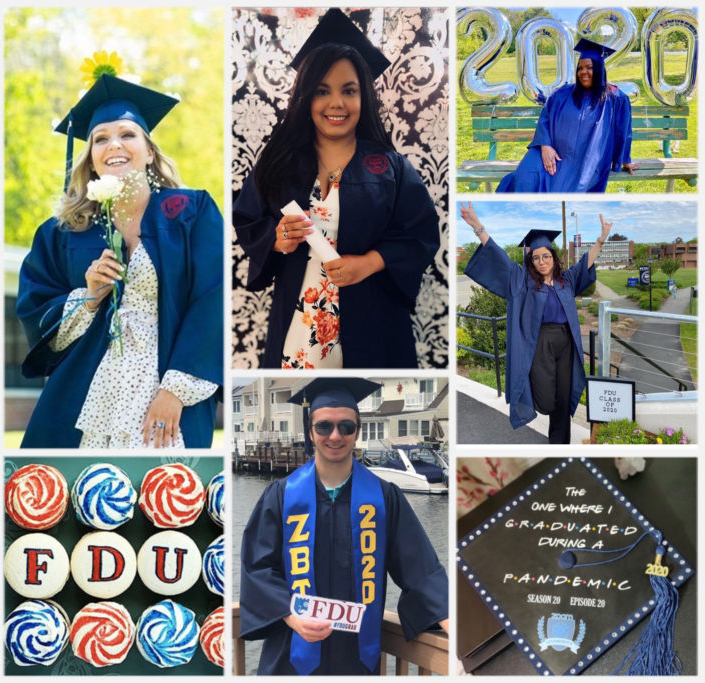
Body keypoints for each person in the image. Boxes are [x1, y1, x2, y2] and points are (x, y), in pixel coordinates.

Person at [16, 66, 222, 448]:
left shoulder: (190, 212)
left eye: (128, 135)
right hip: (86, 392)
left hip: (167, 382)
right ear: (90, 159)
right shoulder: (62, 232)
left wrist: (175, 391)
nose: (114, 145)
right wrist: (90, 294)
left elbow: (214, 297)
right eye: (100, 139)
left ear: (148, 151)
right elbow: (35, 313)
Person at [233, 9, 439, 369]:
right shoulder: (279, 163)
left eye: (349, 91)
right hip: (300, 327)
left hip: (374, 323)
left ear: (364, 98)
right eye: (322, 91)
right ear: (305, 97)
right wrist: (277, 238)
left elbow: (421, 234)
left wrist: (370, 263)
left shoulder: (388, 166)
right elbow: (248, 219)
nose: (337, 104)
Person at [240, 378, 449, 675]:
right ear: (310, 432)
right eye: (324, 426)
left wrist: (448, 617)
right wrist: (289, 614)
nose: (335, 436)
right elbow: (257, 567)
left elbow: (419, 565)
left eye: (346, 427)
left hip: (356, 657)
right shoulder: (282, 496)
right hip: (292, 651)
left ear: (357, 432)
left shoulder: (384, 497)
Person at [460, 203, 610, 443]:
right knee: (547, 398)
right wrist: (478, 227)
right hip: (539, 342)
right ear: (531, 260)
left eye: (546, 256)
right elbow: (499, 258)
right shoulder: (523, 281)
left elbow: (586, 264)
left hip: (567, 342)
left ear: (553, 258)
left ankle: (559, 445)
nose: (542, 262)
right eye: (537, 258)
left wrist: (601, 240)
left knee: (563, 399)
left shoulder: (566, 280)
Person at [496, 38, 638, 193]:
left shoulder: (616, 99)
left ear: (599, 70)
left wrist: (624, 160)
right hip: (550, 153)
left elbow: (622, 132)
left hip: (585, 162)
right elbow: (545, 118)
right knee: (523, 178)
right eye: (580, 68)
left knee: (562, 190)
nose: (583, 72)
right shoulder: (562, 94)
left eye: (589, 68)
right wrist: (545, 145)